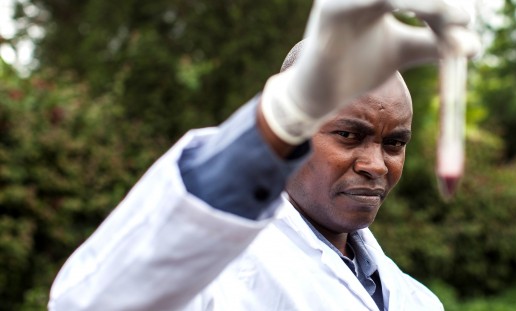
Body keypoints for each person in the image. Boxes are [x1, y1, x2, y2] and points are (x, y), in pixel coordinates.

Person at [48, 0, 479, 310]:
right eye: (348, 135)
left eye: (394, 143)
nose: (375, 164)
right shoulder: (217, 277)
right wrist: (284, 112)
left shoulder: (418, 301)